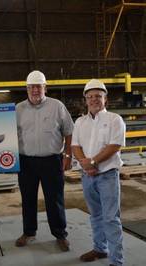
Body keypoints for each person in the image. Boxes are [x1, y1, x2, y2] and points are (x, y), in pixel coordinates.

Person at [15, 70, 74, 251]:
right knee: (28, 199)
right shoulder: (18, 109)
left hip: (52, 161)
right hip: (26, 162)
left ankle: (60, 234)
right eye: (31, 87)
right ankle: (29, 232)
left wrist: (68, 155)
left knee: (54, 199)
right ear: (26, 89)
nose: (35, 90)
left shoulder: (57, 106)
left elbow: (69, 131)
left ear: (45, 88)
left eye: (38, 87)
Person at [72, 79, 125, 266]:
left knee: (111, 218)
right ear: (85, 100)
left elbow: (115, 146)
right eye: (90, 97)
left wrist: (93, 161)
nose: (94, 100)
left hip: (107, 175)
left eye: (98, 96)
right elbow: (75, 146)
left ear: (105, 100)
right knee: (95, 215)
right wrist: (85, 164)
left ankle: (116, 261)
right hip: (88, 176)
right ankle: (100, 249)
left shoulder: (114, 120)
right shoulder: (80, 122)